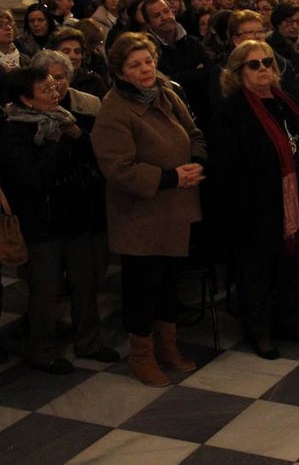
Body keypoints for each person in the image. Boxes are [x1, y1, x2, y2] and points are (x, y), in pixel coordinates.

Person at [91, 33, 206, 387]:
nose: (145, 69)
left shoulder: (166, 94)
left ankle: (167, 348)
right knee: (143, 287)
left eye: (149, 61)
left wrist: (198, 161)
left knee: (169, 283)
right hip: (141, 213)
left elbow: (195, 133)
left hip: (176, 207)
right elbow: (118, 168)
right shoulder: (114, 109)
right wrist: (172, 177)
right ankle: (142, 356)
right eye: (135, 64)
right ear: (121, 72)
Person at [0, 67, 117, 374]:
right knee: (45, 290)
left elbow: (94, 157)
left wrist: (79, 138)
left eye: (56, 86)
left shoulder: (67, 120)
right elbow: (33, 180)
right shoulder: (14, 132)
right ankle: (43, 351)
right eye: (47, 91)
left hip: (78, 216)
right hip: (43, 223)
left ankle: (89, 342)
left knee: (85, 282)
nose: (56, 94)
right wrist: (60, 144)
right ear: (26, 99)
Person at [210, 40, 299, 360]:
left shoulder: (287, 101)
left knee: (292, 263)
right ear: (237, 73)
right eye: (253, 65)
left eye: (268, 63)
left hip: (293, 199)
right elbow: (227, 166)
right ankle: (260, 331)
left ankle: (289, 319)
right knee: (256, 270)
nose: (263, 70)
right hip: (255, 205)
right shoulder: (231, 111)